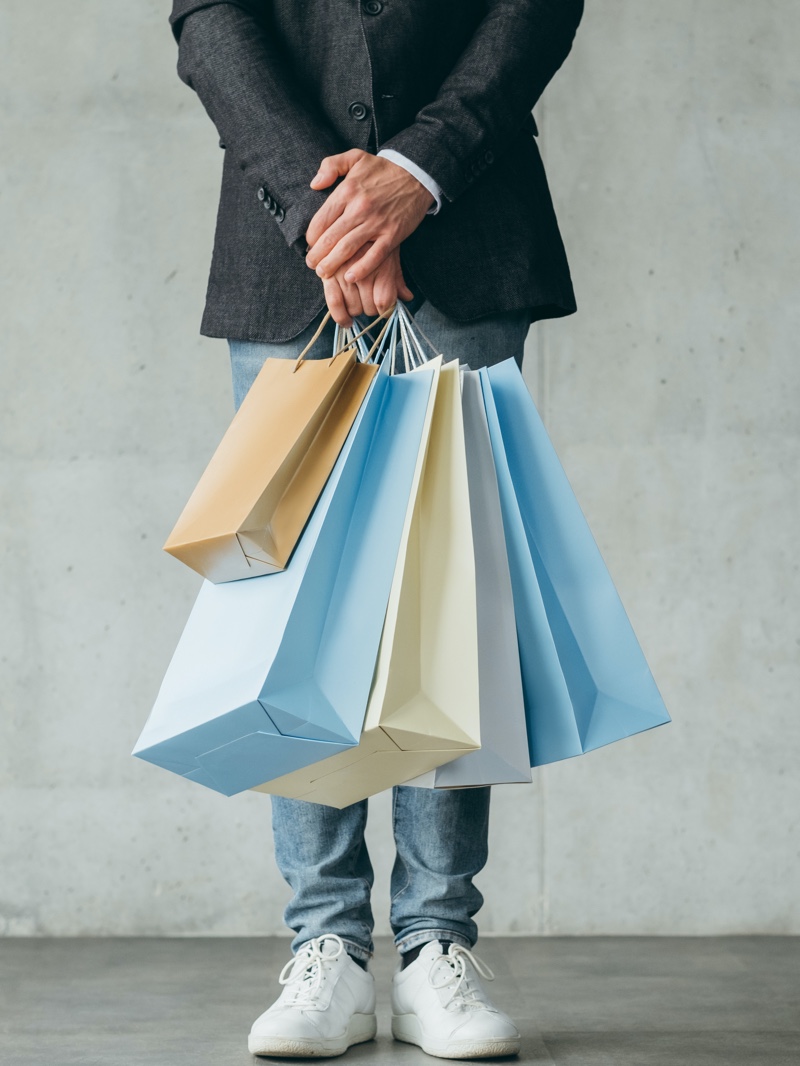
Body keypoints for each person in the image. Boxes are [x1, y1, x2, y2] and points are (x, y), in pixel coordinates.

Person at [168, 0, 583, 1058]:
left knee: (457, 602)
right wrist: (332, 212)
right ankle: (328, 947)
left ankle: (437, 940)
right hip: (286, 237)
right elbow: (209, 13)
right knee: (302, 606)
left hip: (469, 217)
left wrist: (418, 170)